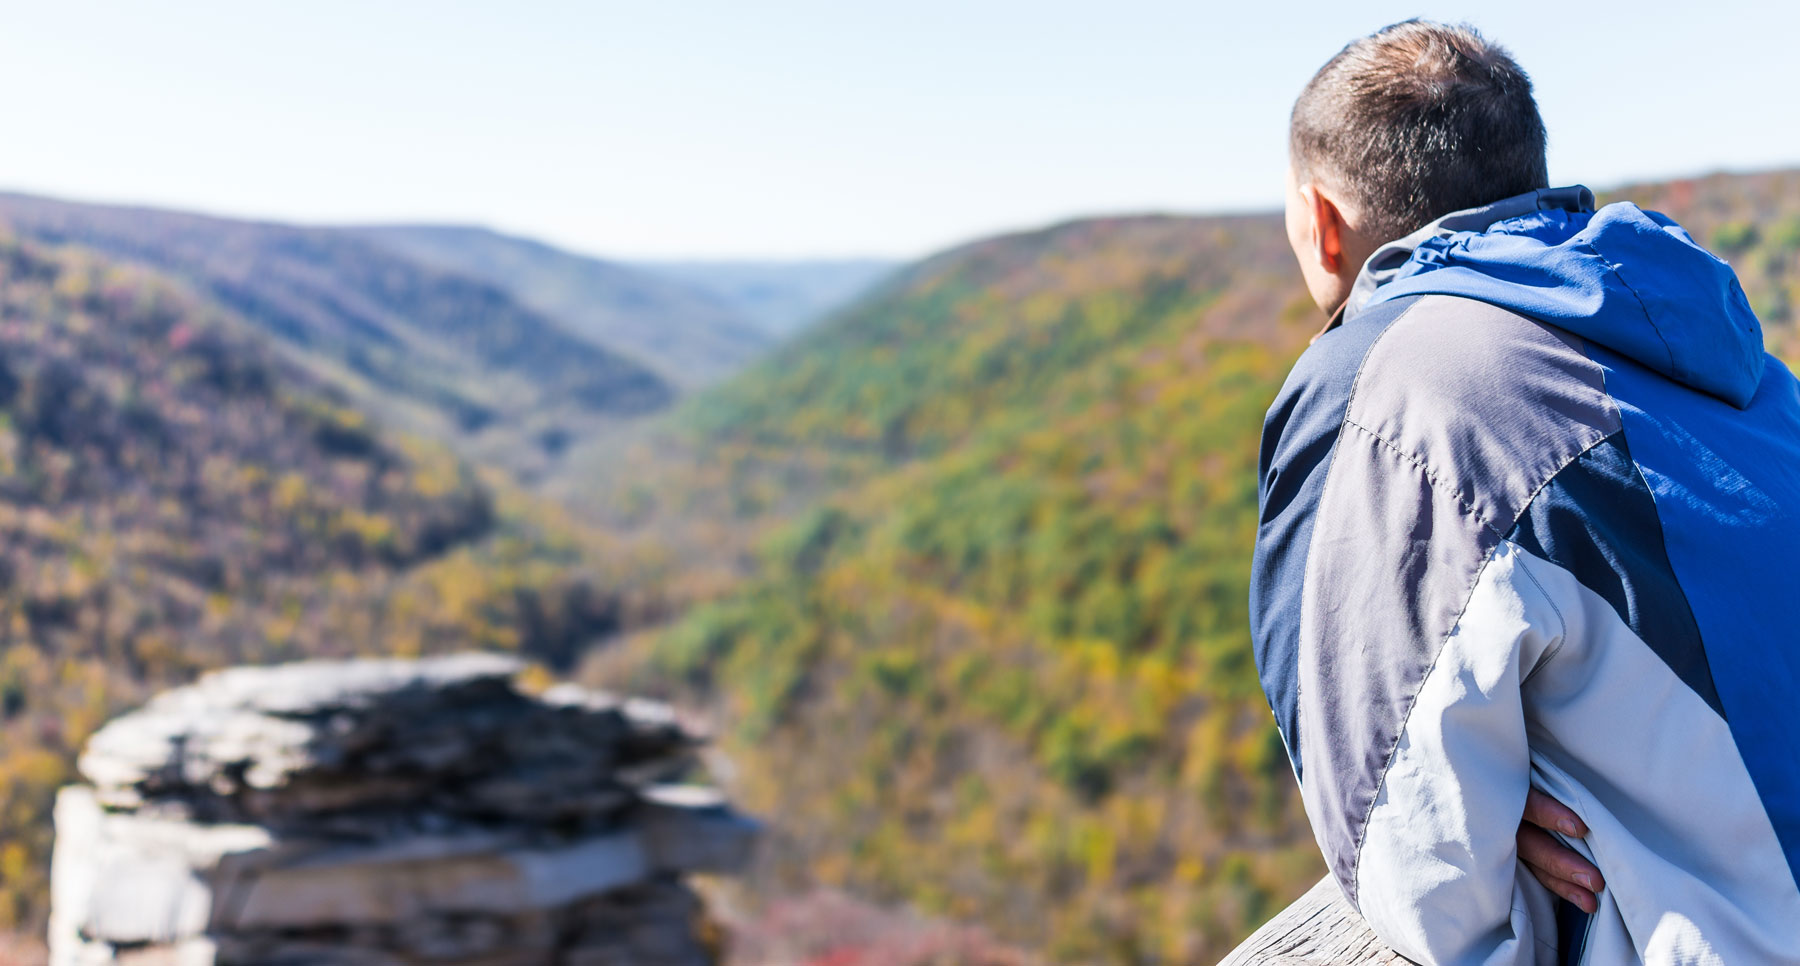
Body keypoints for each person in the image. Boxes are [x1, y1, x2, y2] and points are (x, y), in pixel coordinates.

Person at [1248, 19, 1800, 965]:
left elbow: (1418, 870)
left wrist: (1500, 801)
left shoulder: (1397, 385)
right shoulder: (1714, 342)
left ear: (1321, 222)